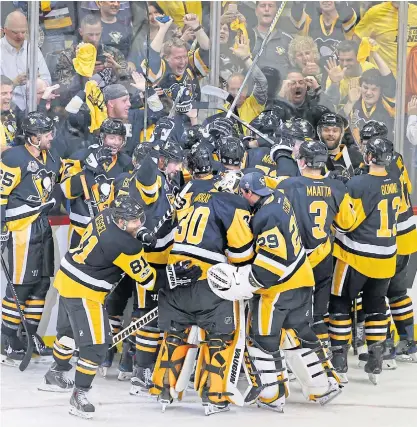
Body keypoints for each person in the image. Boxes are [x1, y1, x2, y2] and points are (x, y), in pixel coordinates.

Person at [207, 171, 342, 412]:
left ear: (249, 192)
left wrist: (241, 282)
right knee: (298, 334)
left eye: (241, 192)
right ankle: (321, 386)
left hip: (279, 289)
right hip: (303, 278)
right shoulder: (279, 197)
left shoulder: (265, 218)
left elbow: (270, 268)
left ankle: (272, 393)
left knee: (262, 339)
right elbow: (269, 180)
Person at [38, 196, 157, 419]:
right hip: (84, 292)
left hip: (67, 277)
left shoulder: (105, 216)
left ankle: (55, 373)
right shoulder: (125, 245)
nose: (139, 224)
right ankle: (79, 395)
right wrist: (171, 276)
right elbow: (147, 279)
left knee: (68, 334)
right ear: (121, 222)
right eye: (134, 221)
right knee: (96, 347)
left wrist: (138, 238)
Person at [152, 171, 254, 415]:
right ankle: (214, 395)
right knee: (221, 337)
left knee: (175, 334)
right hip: (209, 282)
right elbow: (242, 255)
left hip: (174, 277)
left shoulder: (186, 194)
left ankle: (165, 388)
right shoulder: (231, 202)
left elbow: (160, 240)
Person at [329, 137, 405, 385]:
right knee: (376, 306)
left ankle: (339, 359)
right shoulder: (395, 182)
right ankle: (375, 358)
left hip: (355, 256)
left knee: (340, 303)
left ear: (369, 157)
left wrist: (341, 189)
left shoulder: (358, 184)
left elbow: (346, 222)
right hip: (386, 258)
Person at [278, 140, 356, 346]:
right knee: (319, 314)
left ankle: (296, 356)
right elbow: (347, 224)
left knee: (291, 309)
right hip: (322, 256)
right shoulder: (336, 187)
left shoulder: (287, 186)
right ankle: (324, 360)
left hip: (294, 258)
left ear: (302, 162)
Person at [1, 112, 61, 365]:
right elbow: (1, 194)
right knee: (21, 284)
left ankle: (29, 334)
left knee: (41, 285)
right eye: (47, 133)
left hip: (42, 224)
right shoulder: (13, 158)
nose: (51, 136)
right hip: (22, 228)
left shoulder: (52, 156)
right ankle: (7, 339)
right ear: (34, 137)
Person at [359, 122, 417, 366]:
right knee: (396, 291)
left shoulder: (380, 167)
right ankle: (409, 342)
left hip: (391, 236)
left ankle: (387, 346)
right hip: (405, 232)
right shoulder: (397, 159)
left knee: (379, 292)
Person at [60, 118, 132, 249]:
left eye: (119, 139)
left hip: (112, 232)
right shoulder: (79, 157)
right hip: (82, 230)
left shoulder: (126, 163)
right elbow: (67, 190)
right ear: (102, 137)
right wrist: (90, 167)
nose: (116, 143)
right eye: (112, 138)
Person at [56, 13, 128, 104]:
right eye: (90, 35)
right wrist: (85, 74)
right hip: (80, 104)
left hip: (108, 104)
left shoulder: (112, 53)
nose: (94, 39)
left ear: (101, 30)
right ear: (81, 32)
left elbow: (127, 83)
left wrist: (117, 69)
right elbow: (63, 89)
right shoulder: (69, 55)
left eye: (97, 34)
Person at [142, 13, 210, 110]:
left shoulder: (190, 66)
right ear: (166, 57)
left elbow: (207, 51)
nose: (183, 62)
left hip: (191, 122)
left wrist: (196, 26)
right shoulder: (161, 69)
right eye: (178, 58)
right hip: (163, 123)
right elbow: (152, 55)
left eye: (184, 56)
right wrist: (163, 29)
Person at [0, 11, 51, 111]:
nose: (20, 36)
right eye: (15, 32)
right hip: (7, 114)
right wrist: (13, 83)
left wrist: (37, 83)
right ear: (5, 30)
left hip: (34, 111)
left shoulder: (33, 49)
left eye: (23, 32)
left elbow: (47, 81)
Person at [354, 1, 417, 78]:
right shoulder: (375, 13)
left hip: (411, 78)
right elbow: (356, 40)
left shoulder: (415, 11)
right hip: (383, 77)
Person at [225, 34, 269, 133]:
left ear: (245, 89)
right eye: (232, 89)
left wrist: (246, 58)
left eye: (239, 89)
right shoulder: (222, 110)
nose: (236, 93)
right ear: (226, 89)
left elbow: (262, 82)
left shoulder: (254, 103)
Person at [291, 1, 357, 60]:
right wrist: (297, 3)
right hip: (316, 70)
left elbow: (348, 15)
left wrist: (340, 3)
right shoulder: (310, 22)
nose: (326, 1)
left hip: (341, 69)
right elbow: (297, 17)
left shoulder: (345, 21)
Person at [343, 68, 396, 141]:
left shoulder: (387, 104)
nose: (368, 92)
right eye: (365, 87)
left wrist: (375, 55)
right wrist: (350, 103)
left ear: (381, 91)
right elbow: (338, 123)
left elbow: (389, 80)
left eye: (374, 89)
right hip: (355, 150)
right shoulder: (353, 99)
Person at [249, 1, 292, 75]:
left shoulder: (288, 39)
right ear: (256, 11)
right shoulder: (246, 35)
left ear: (277, 11)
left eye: (271, 6)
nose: (266, 9)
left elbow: (295, 68)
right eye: (262, 5)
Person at [317, 113, 362, 178]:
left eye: (335, 130)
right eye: (326, 130)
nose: (330, 134)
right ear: (319, 132)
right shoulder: (310, 157)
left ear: (342, 133)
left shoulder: (356, 157)